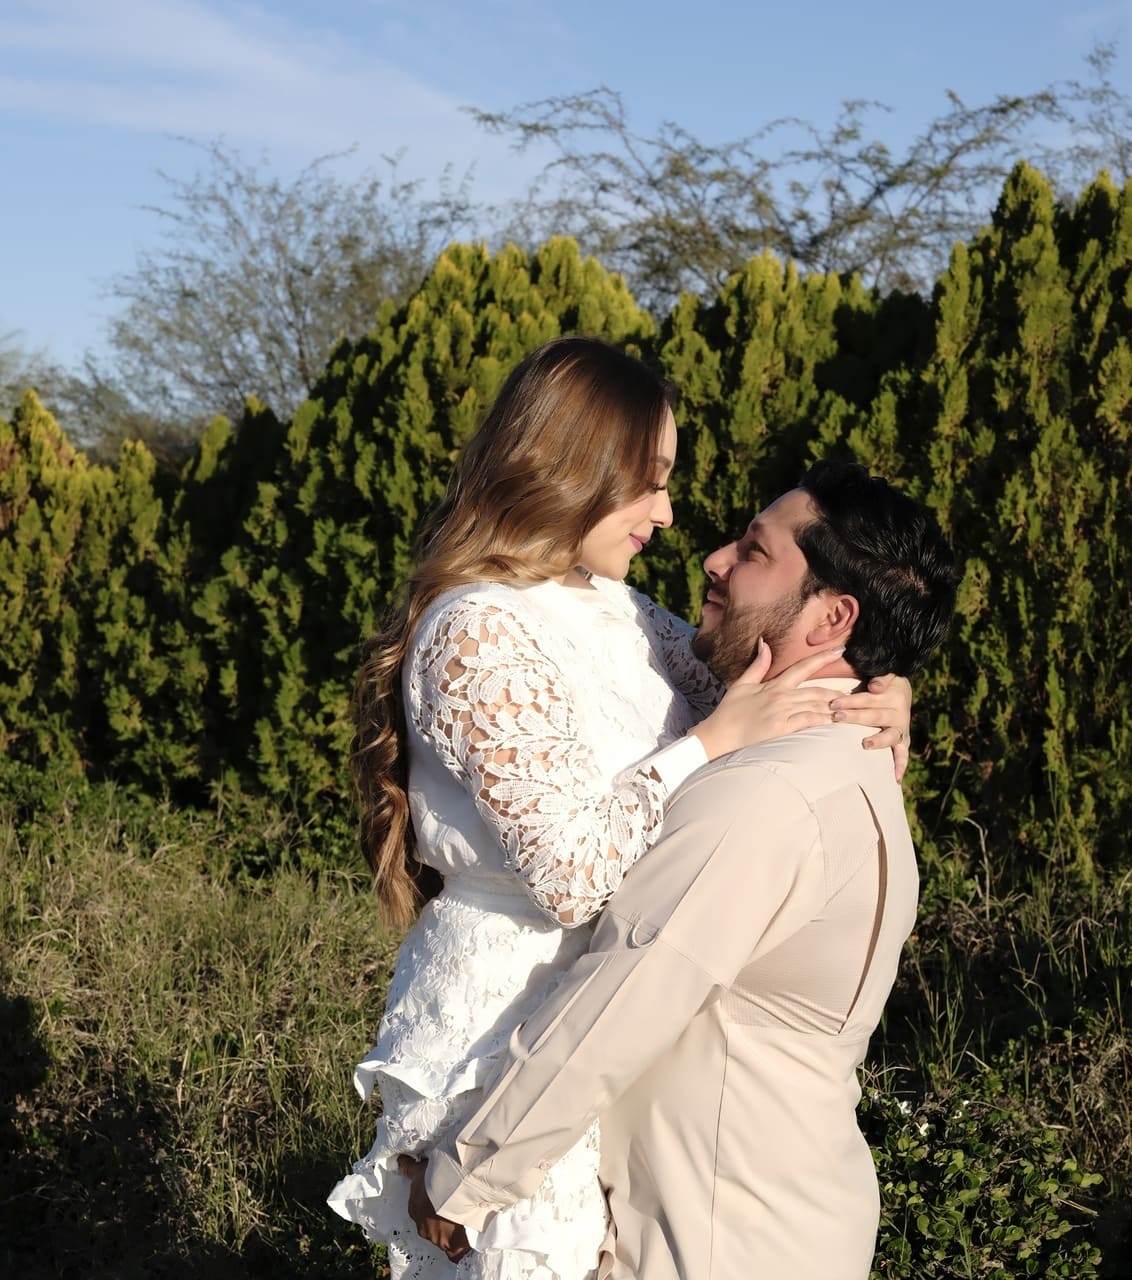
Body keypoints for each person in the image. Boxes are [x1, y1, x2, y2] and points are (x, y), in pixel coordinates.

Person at [327, 339, 914, 1280]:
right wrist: (706, 745)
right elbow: (568, 877)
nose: (668, 515)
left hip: (590, 1041)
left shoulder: (625, 614)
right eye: (649, 483)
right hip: (500, 1033)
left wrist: (883, 693)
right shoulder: (475, 627)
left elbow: (771, 687)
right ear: (568, 470)